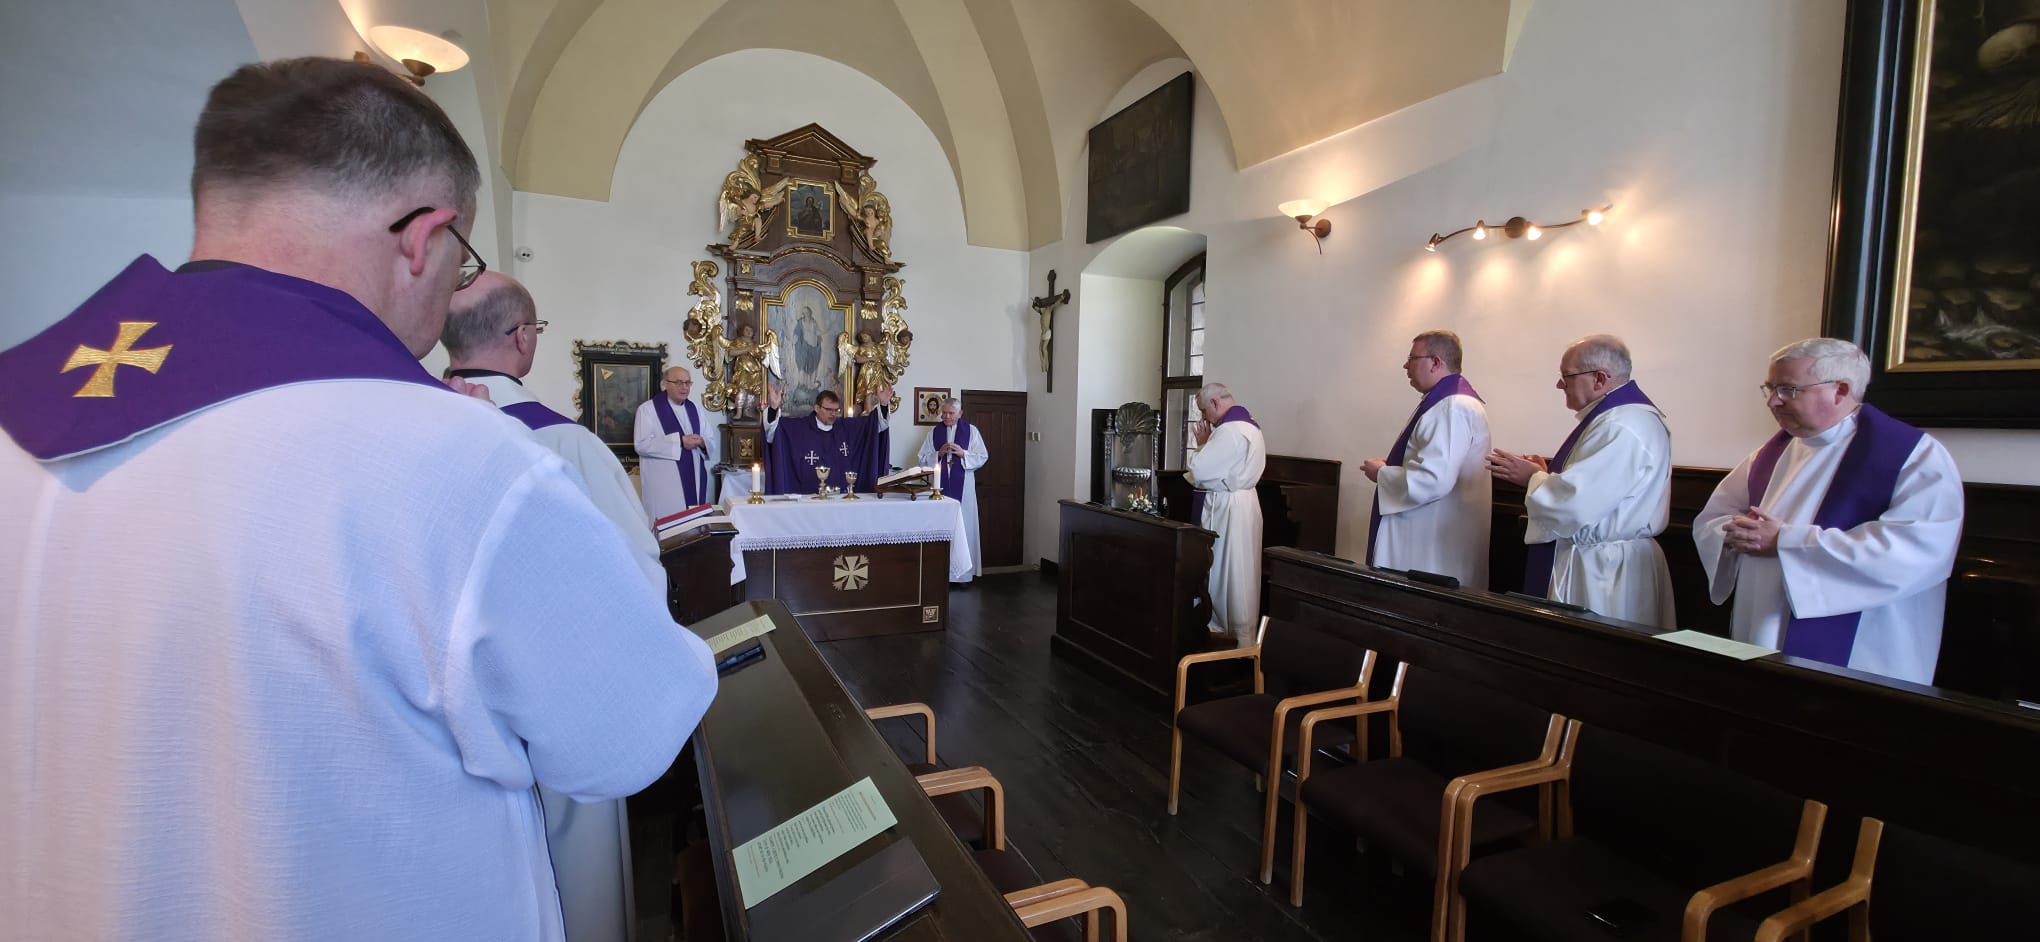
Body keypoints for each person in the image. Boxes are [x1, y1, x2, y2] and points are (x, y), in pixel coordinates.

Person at [0, 58, 717, 941]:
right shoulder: (453, 455)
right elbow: (629, 732)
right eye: (462, 261)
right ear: (424, 237)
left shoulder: (18, 418)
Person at [444, 273, 661, 942]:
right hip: (553, 729)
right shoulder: (567, 445)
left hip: (439, 736)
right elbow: (636, 586)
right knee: (575, 896)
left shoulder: (404, 428)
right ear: (523, 338)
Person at [1693, 338, 1964, 684]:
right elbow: (1713, 517)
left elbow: (1916, 551)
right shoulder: (1770, 454)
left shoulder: (1913, 457)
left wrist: (1785, 542)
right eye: (1770, 388)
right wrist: (1733, 533)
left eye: (1788, 389)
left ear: (1841, 390)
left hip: (1864, 640)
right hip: (1761, 620)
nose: (1773, 401)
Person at [1487, 335, 1675, 625]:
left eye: (1567, 376)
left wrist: (1533, 478)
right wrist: (1547, 476)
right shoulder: (1617, 419)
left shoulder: (1621, 425)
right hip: (1601, 560)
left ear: (1599, 378)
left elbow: (1576, 503)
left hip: (1604, 570)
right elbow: (1593, 488)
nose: (1559, 384)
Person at [1362, 330, 1491, 586]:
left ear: (1435, 362)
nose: (1405, 365)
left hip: (1428, 548)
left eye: (1412, 358)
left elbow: (1434, 480)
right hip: (1429, 538)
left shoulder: (1452, 407)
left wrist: (1382, 474)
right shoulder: (1446, 403)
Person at [1186, 383, 1267, 647]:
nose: (1204, 418)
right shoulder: (1252, 427)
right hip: (1244, 504)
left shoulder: (1229, 431)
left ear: (1216, 403)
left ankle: (1225, 636)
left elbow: (1199, 471)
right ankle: (1243, 636)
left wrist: (1202, 445)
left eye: (1204, 410)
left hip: (1227, 508)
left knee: (1226, 570)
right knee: (1242, 569)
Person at [762, 382, 895, 494]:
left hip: (841, 498)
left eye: (836, 410)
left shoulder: (846, 428)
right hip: (807, 498)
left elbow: (873, 426)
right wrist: (773, 408)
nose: (833, 414)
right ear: (817, 408)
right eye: (829, 409)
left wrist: (883, 405)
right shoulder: (799, 428)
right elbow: (774, 429)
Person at [917, 396, 989, 583]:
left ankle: (964, 575)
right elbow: (922, 458)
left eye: (951, 413)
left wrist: (964, 454)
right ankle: (942, 574)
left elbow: (982, 456)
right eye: (944, 413)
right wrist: (938, 454)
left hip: (964, 489)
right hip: (939, 488)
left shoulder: (971, 431)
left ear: (960, 413)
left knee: (965, 527)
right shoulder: (934, 433)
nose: (947, 417)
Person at [635, 366, 720, 520]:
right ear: (664, 384)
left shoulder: (695, 409)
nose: (684, 387)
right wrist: (680, 441)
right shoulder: (648, 410)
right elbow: (641, 444)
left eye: (688, 383)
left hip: (694, 480)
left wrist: (702, 441)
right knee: (667, 525)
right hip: (665, 487)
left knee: (693, 525)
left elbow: (710, 440)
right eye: (679, 382)